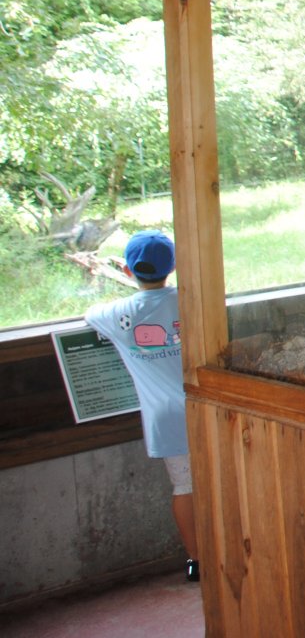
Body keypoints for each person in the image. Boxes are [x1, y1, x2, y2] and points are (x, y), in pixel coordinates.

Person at [84, 230, 200, 581]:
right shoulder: (190, 300)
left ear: (127, 270)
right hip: (205, 406)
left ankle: (196, 561)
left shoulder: (118, 313)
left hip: (167, 419)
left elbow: (90, 314)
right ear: (174, 267)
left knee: (185, 487)